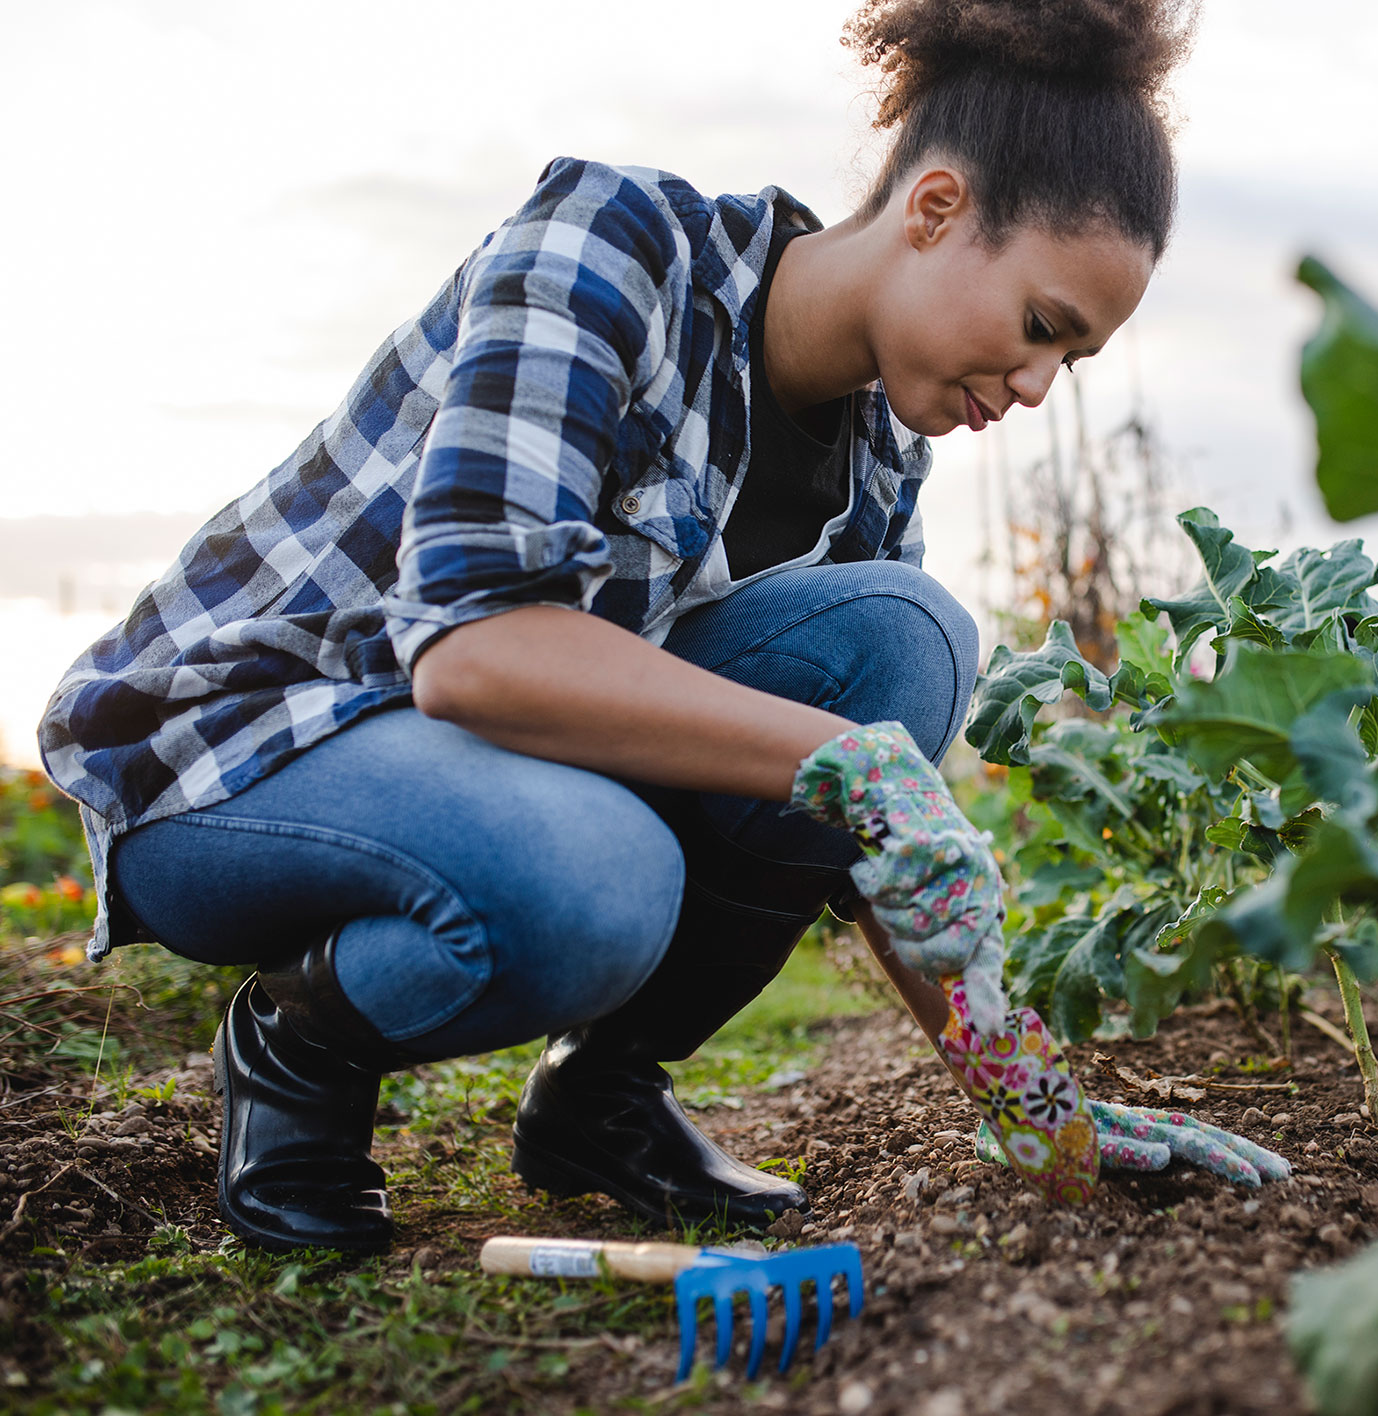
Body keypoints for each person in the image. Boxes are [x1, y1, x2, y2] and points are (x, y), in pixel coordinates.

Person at [36, 0, 1274, 1257]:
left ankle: (601, 1097)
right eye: (1040, 327)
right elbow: (477, 650)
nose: (1032, 387)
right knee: (600, 879)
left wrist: (1028, 1097)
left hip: (474, 773)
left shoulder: (881, 448)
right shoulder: (616, 245)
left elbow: (864, 829)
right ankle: (297, 1040)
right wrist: (841, 763)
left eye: (1070, 361)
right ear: (935, 209)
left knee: (903, 640)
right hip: (239, 754)